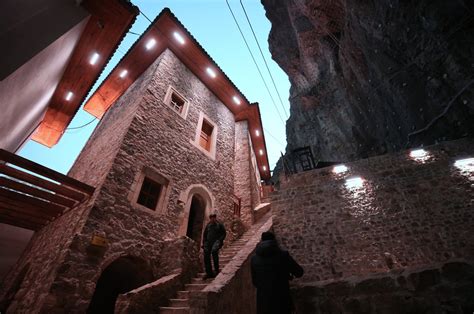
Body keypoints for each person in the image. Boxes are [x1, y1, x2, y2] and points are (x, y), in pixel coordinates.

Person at [251, 231, 304, 314]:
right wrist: (287, 275)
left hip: (264, 303)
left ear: (261, 241)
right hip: (282, 301)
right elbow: (299, 272)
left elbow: (255, 282)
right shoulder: (283, 255)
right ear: (274, 241)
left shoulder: (254, 259)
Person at [202, 212, 226, 279]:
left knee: (214, 252)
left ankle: (216, 270)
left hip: (216, 242)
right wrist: (204, 243)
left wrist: (219, 240)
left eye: (213, 217)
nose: (212, 219)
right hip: (208, 243)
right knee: (206, 255)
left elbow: (224, 233)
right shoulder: (208, 225)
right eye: (211, 218)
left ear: (215, 218)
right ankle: (209, 272)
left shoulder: (219, 225)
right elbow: (205, 234)